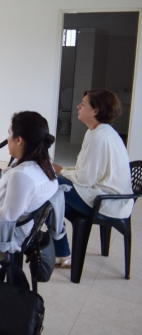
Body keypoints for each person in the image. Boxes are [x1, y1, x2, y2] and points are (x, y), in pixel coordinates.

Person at [51, 89, 132, 268]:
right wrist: (63, 169)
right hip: (108, 196)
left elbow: (85, 179)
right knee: (54, 197)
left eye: (83, 104)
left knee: (51, 189)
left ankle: (62, 253)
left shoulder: (98, 137)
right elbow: (86, 170)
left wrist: (61, 172)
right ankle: (61, 252)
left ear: (95, 111)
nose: (78, 106)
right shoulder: (101, 131)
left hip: (105, 202)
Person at [0, 112, 58, 238]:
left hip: (1, 232)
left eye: (9, 133)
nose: (7, 139)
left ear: (18, 140)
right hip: (16, 227)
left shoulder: (22, 175)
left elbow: (9, 214)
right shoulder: (45, 165)